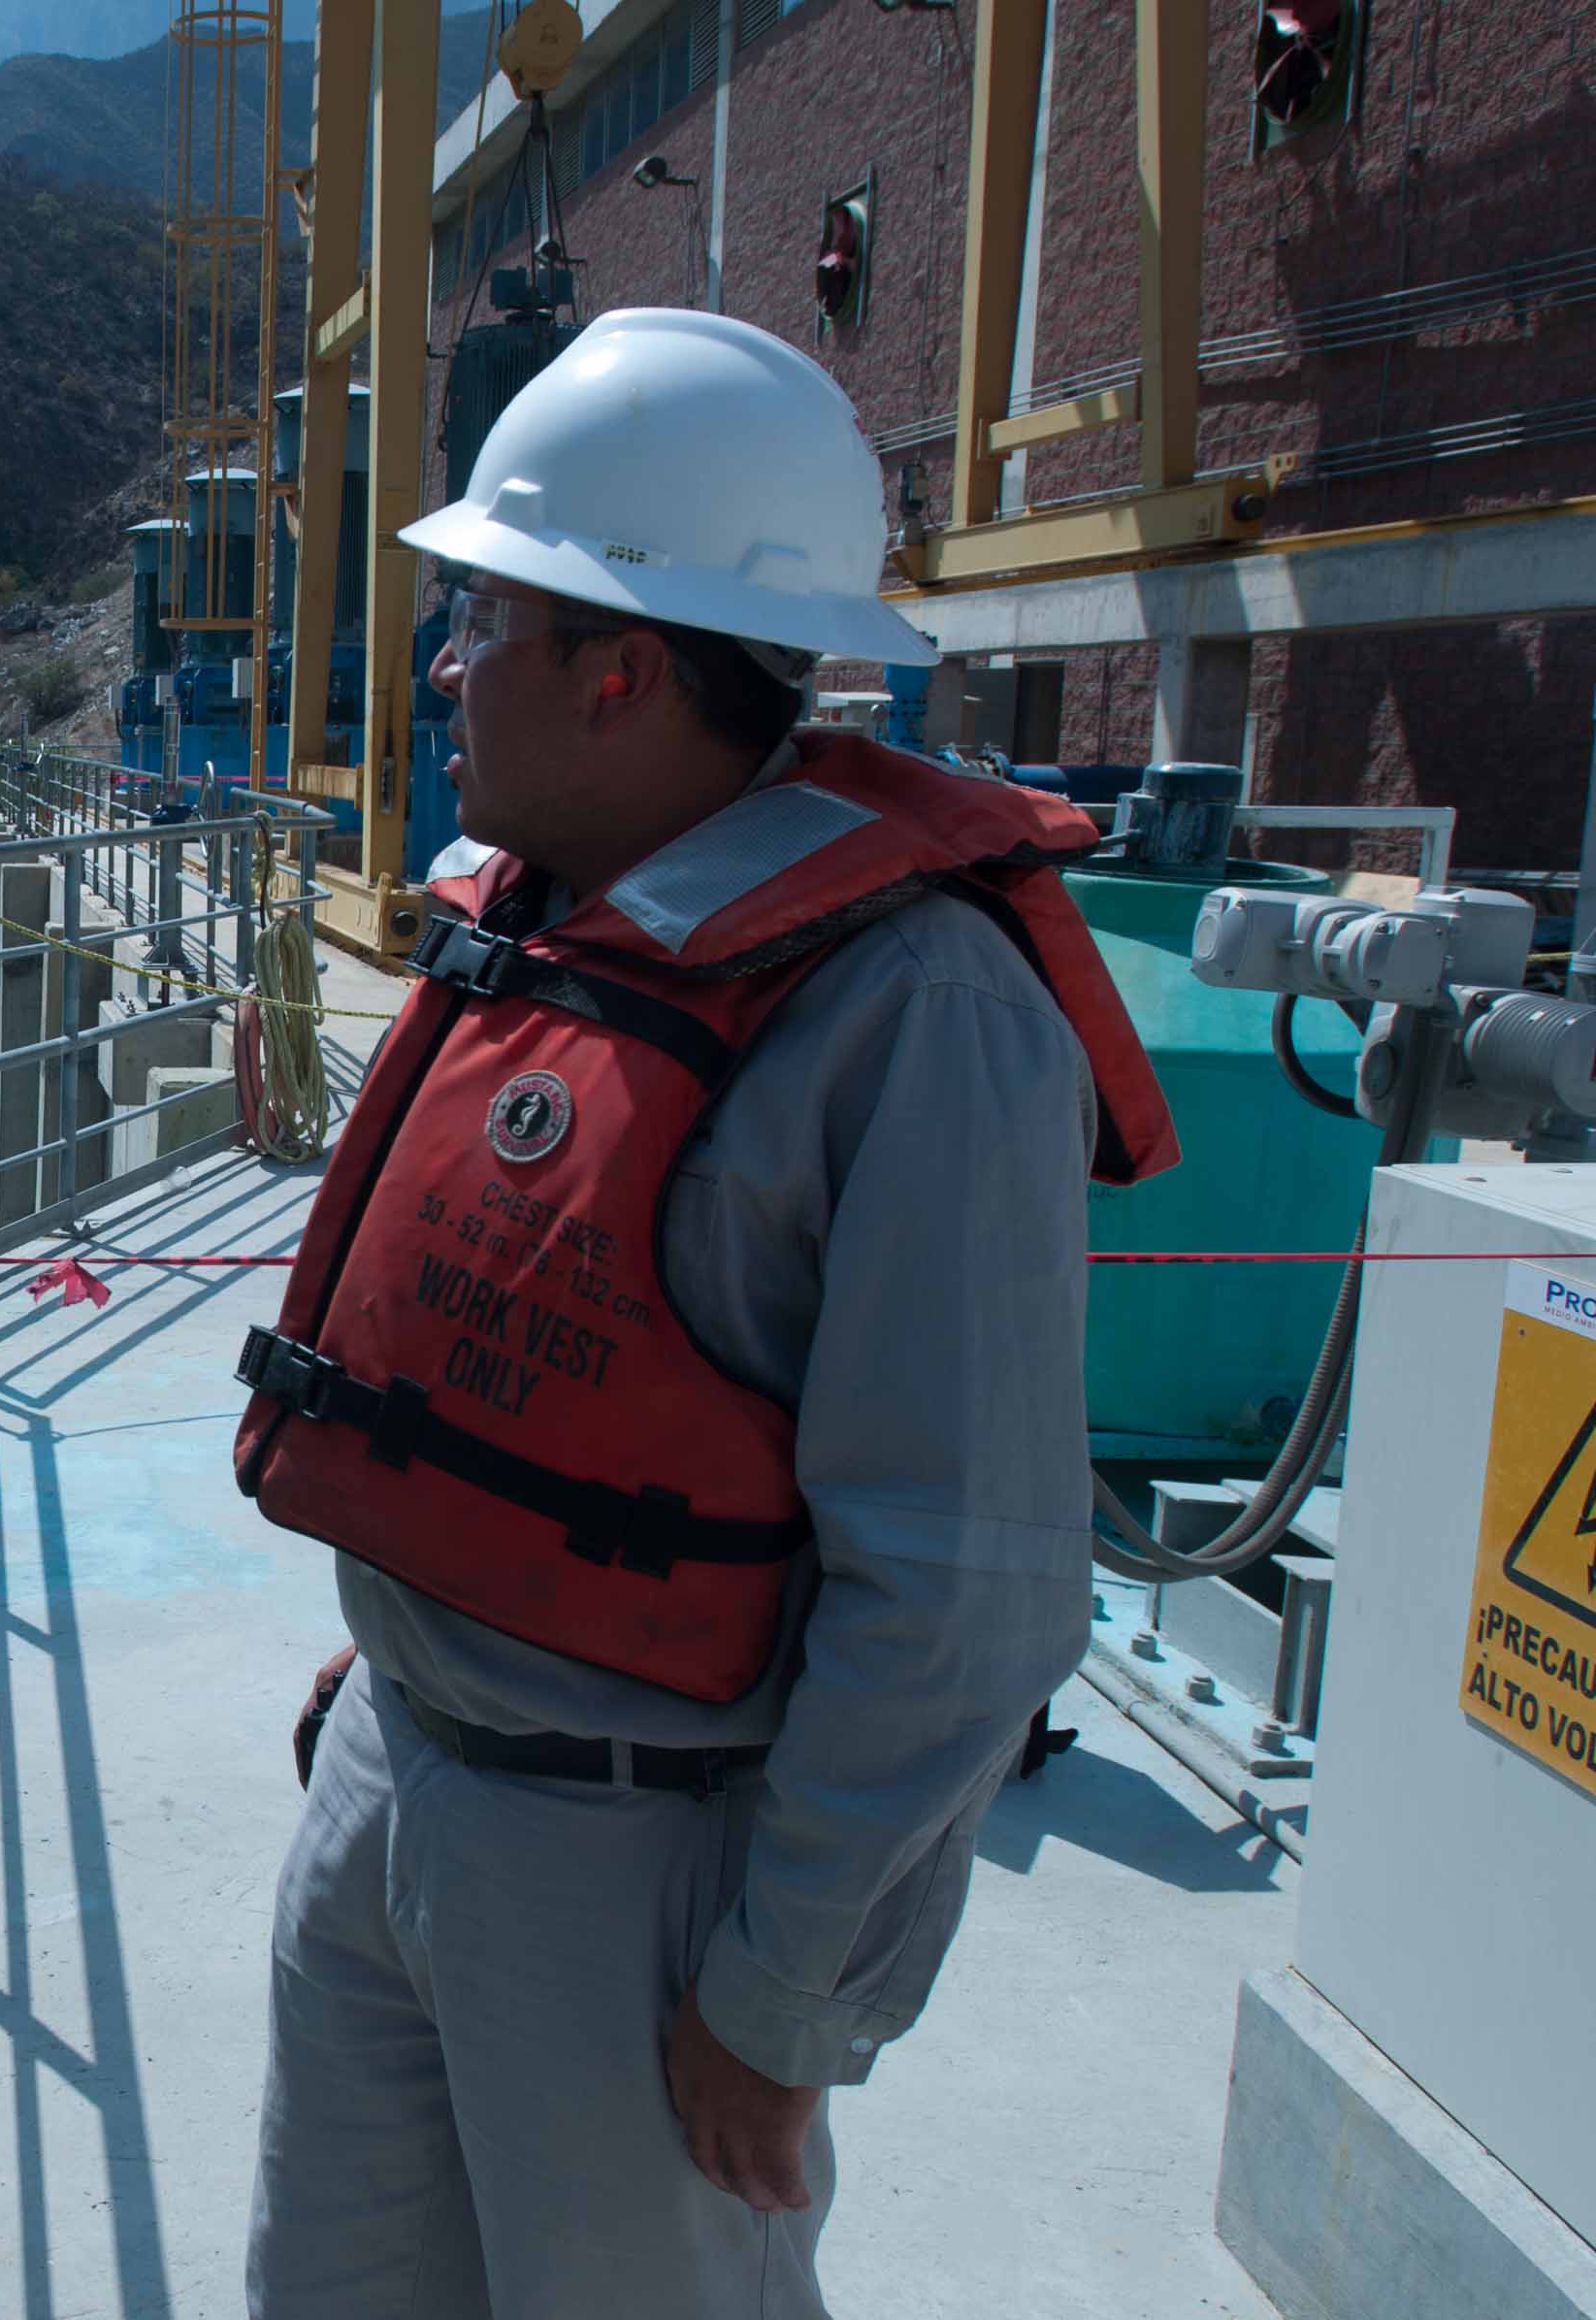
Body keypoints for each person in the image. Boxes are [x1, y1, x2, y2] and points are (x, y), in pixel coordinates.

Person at [231, 308, 1178, 2316]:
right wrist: (410, 1655)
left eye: (481, 618)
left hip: (644, 1887)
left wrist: (786, 1989)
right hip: (403, 1773)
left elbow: (970, 1586)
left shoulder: (917, 1017)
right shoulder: (543, 912)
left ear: (623, 667)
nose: (442, 665)